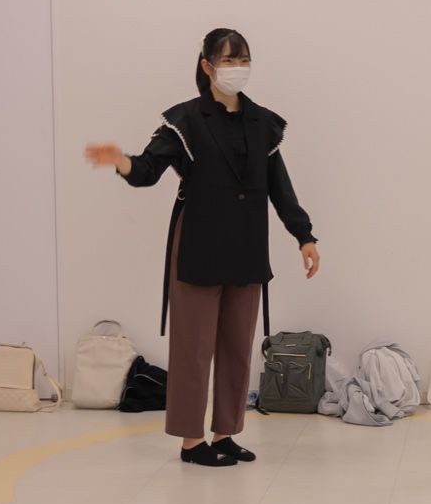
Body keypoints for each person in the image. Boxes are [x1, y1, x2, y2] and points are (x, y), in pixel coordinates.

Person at [85, 29, 320, 468]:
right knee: (193, 349)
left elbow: (280, 188)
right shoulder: (186, 120)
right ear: (207, 66)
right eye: (229, 60)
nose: (237, 68)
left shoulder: (263, 123)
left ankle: (225, 433)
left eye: (244, 59)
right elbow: (148, 170)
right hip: (200, 244)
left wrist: (304, 236)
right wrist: (121, 161)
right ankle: (192, 442)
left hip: (247, 247)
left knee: (236, 347)